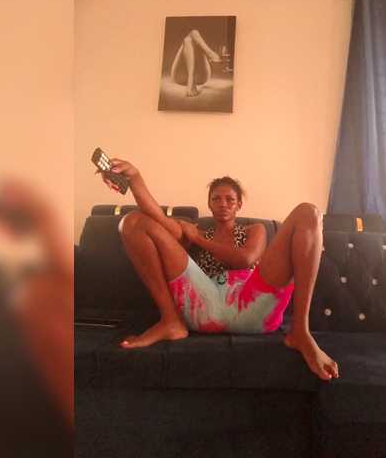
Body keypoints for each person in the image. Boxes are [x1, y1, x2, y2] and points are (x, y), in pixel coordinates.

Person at [100, 160, 339, 381]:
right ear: (209, 204)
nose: (223, 204)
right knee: (132, 221)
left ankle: (300, 331)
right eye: (216, 199)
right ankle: (171, 321)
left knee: (308, 212)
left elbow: (245, 259)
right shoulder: (194, 231)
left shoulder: (254, 230)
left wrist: (198, 239)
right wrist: (135, 178)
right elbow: (158, 217)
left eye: (230, 200)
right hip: (204, 303)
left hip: (254, 303)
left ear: (239, 205)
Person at [169, 29, 222, 97]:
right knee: (190, 37)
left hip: (180, 76)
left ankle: (191, 78)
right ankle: (210, 53)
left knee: (188, 39)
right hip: (200, 77)